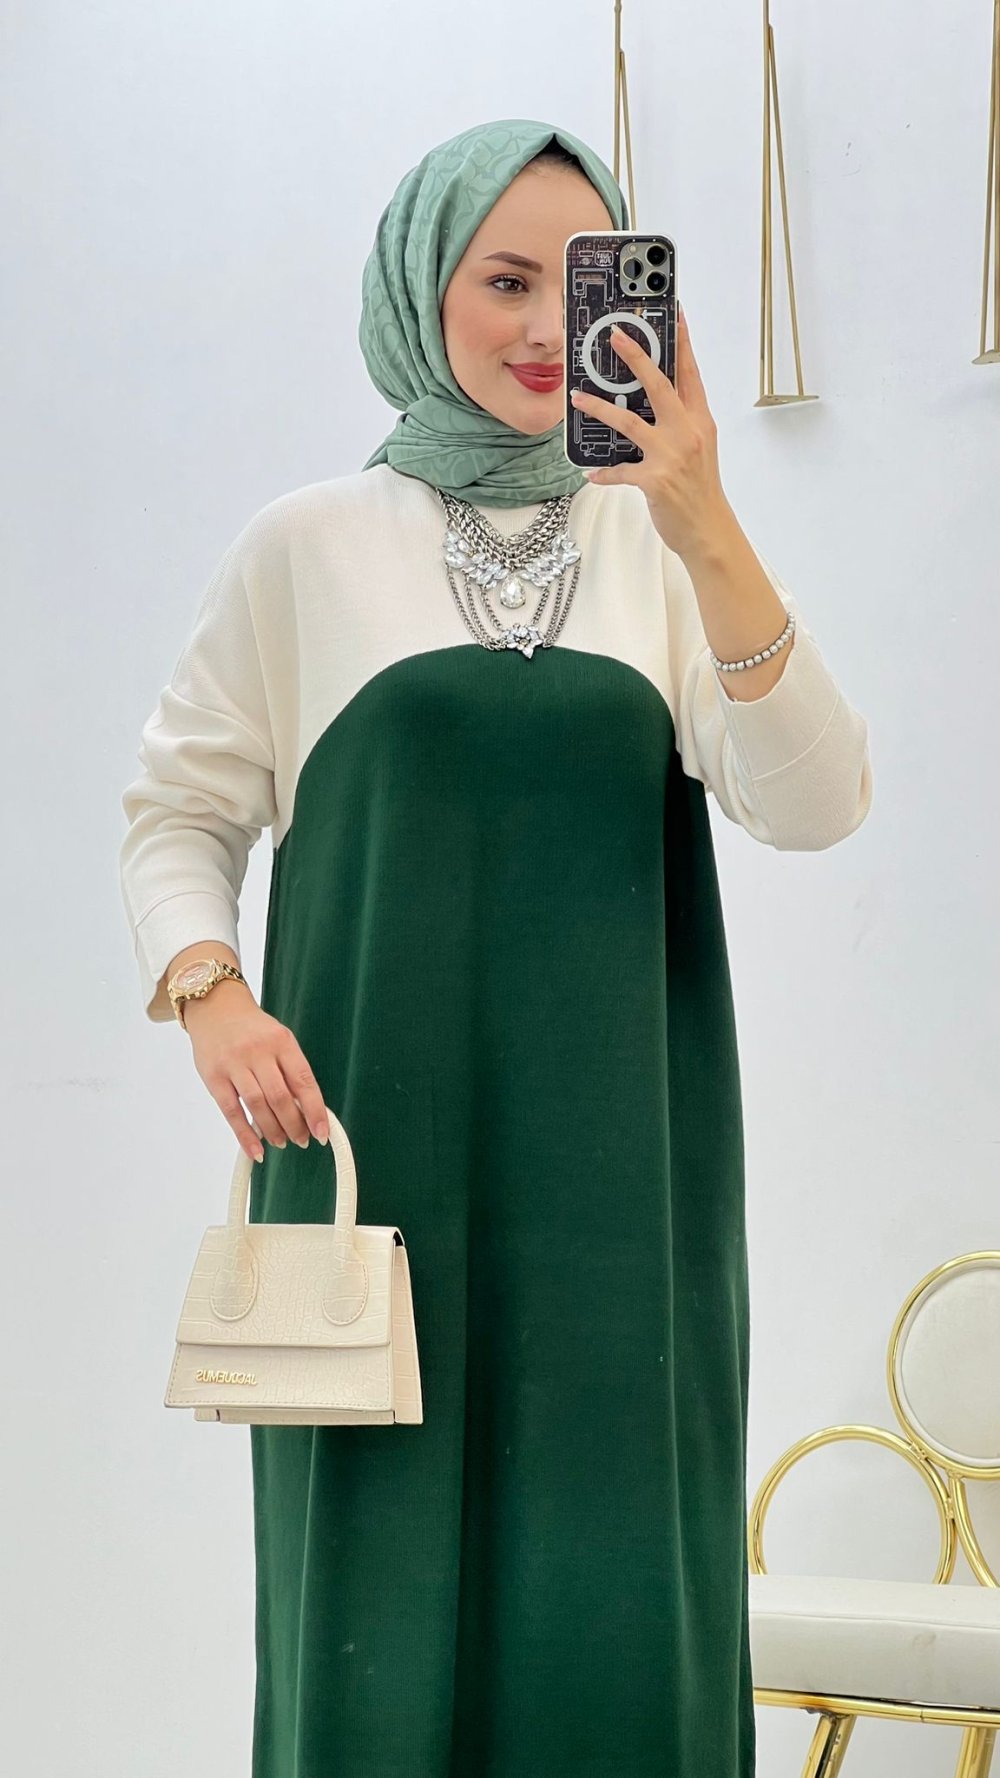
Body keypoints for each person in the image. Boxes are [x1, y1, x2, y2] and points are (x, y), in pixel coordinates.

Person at [119, 117, 872, 1778]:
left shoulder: (660, 551)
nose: (547, 330)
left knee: (618, 1616)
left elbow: (818, 801)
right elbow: (177, 810)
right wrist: (213, 996)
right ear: (422, 290)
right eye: (505, 281)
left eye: (582, 285)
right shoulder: (306, 547)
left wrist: (707, 522)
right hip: (372, 1186)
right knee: (370, 1609)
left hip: (630, 1199)